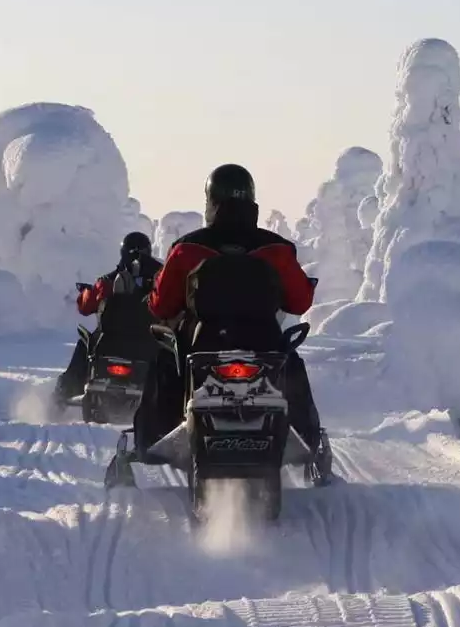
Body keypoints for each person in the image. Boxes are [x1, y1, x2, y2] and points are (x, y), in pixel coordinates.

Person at [132, 163, 321, 455]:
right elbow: (299, 302)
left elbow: (163, 304)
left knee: (165, 360)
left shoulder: (186, 248)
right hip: (264, 342)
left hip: (204, 342)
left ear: (211, 202)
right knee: (291, 362)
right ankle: (308, 439)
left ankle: (151, 438)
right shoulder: (278, 249)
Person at [53, 231, 162, 401]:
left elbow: (85, 307)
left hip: (110, 343)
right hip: (147, 345)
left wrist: (87, 293)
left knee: (85, 344)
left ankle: (61, 397)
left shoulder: (107, 280)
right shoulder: (159, 280)